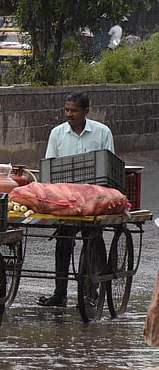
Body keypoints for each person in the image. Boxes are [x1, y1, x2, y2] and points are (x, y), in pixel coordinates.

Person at [38, 92, 115, 307]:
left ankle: (92, 291)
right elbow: (50, 166)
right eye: (67, 110)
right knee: (63, 245)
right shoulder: (57, 134)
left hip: (92, 200)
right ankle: (59, 293)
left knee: (93, 242)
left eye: (74, 110)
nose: (69, 114)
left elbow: (108, 166)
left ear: (86, 112)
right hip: (66, 200)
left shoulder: (102, 132)